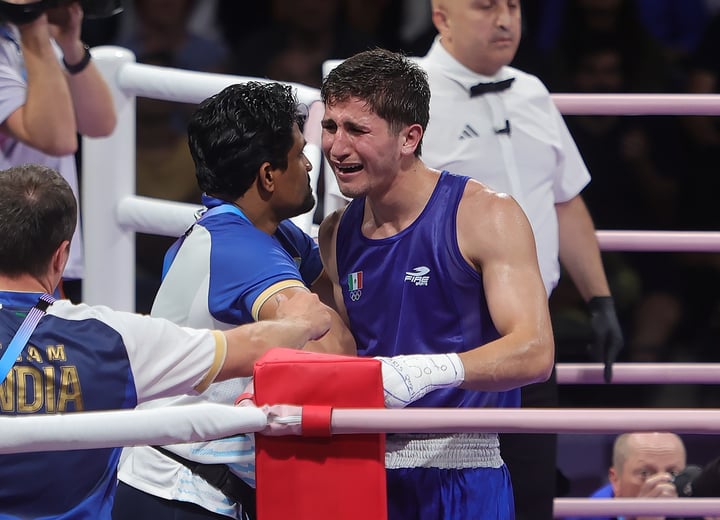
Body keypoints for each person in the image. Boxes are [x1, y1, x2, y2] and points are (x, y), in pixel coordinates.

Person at [0, 163, 332, 519]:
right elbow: (243, 348)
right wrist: (301, 320)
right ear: (61, 256)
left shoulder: (116, 339)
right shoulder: (113, 340)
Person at [318, 47, 555, 520]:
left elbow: (534, 350)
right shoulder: (336, 232)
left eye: (357, 130)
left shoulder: (485, 214)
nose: (337, 148)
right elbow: (335, 350)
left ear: (409, 137)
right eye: (330, 126)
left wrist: (424, 371)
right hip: (363, 467)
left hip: (461, 473)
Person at [114, 81, 356, 520]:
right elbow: (332, 346)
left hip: (193, 487)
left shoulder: (259, 234)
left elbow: (344, 293)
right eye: (300, 153)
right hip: (176, 495)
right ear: (267, 175)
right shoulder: (240, 250)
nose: (307, 164)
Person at [419, 1, 625, 518]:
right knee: (441, 495)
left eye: (512, 4)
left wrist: (599, 297)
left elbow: (565, 199)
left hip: (532, 330)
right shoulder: (406, 95)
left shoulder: (532, 91)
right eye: (486, 5)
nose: (506, 18)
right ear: (442, 15)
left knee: (531, 494)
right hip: (440, 331)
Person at [0, 0, 117, 301]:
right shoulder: (27, 38)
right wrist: (33, 24)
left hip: (43, 246)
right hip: (11, 251)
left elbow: (101, 123)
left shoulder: (26, 38)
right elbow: (58, 138)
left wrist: (70, 46)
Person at [563, 432, 688, 520]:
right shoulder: (587, 516)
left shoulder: (697, 508)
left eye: (673, 474)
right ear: (615, 479)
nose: (662, 484)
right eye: (645, 473)